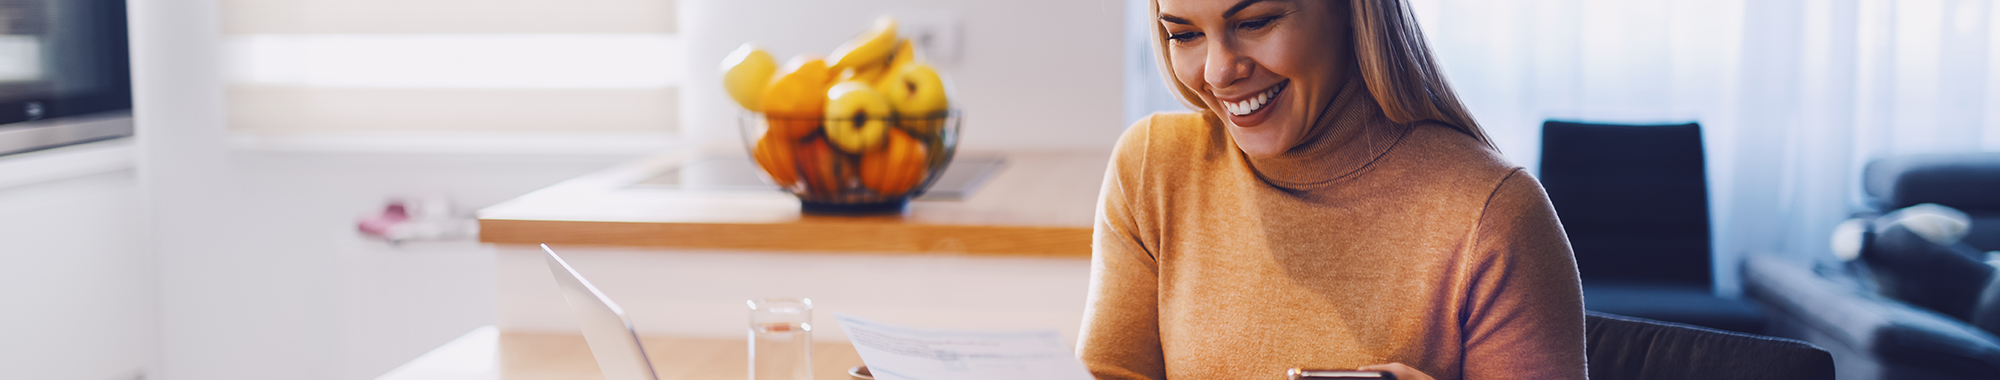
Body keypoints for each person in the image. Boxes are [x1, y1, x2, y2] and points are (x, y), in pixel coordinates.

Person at [1075, 0, 1587, 379]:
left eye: (1254, 23)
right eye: (1184, 35)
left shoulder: (1493, 213)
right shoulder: (1153, 168)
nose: (1217, 72)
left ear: (1348, 10)